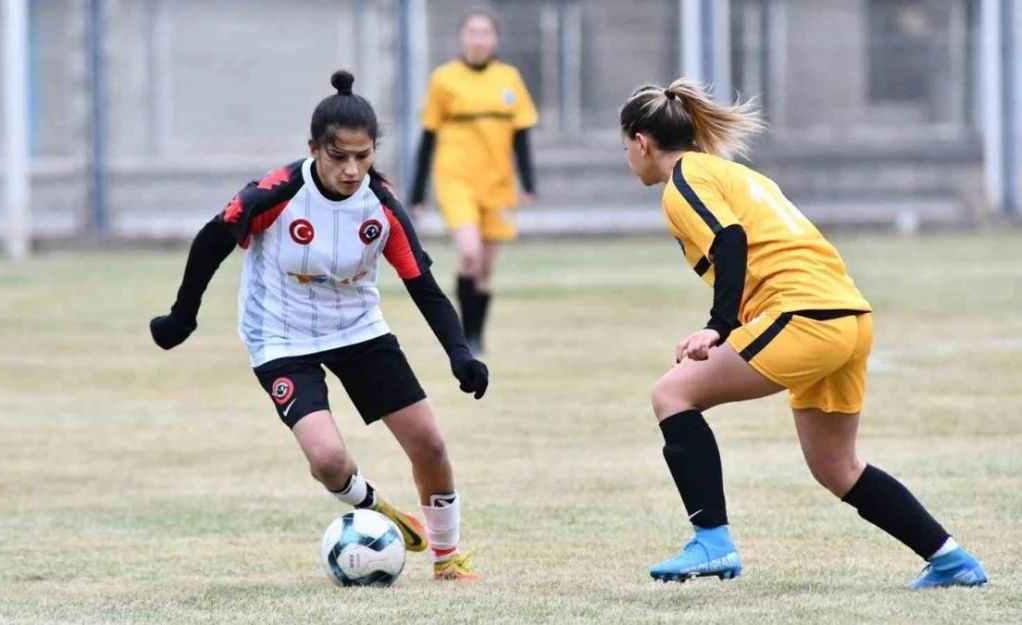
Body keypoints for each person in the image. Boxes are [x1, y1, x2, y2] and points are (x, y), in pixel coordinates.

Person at [620, 78, 987, 588]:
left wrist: (717, 328)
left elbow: (730, 239)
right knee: (837, 467)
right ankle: (951, 560)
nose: (629, 159)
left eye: (625, 148)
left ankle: (711, 541)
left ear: (642, 142)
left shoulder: (683, 181)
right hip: (848, 315)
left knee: (671, 394)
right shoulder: (732, 174)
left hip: (805, 315)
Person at [150, 71, 488, 582]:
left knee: (430, 443)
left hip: (357, 328)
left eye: (363, 156)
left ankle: (448, 558)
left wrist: (459, 353)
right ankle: (376, 506)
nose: (352, 169)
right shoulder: (277, 193)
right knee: (329, 461)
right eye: (339, 157)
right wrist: (183, 316)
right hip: (280, 336)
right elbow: (211, 240)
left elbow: (423, 284)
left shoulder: (382, 206)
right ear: (314, 149)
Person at [409, 8, 538, 355]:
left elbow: (521, 135)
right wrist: (417, 193)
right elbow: (427, 138)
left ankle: (476, 339)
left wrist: (528, 183)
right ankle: (463, 336)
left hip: (497, 183)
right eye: (472, 32)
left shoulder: (508, 77)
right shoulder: (444, 79)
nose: (478, 39)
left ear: (494, 39)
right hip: (456, 180)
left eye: (485, 32)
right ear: (461, 38)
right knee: (468, 253)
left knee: (484, 268)